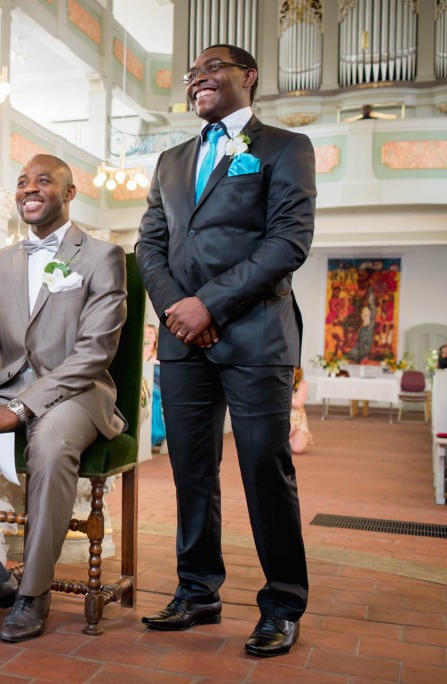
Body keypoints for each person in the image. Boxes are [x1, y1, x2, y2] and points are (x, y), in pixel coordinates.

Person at [136, 44, 314, 658]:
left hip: (256, 332)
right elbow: (149, 246)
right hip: (185, 342)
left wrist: (208, 304)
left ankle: (283, 603)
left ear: (249, 78)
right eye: (193, 74)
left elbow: (288, 242)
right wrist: (177, 311)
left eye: (213, 69)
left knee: (266, 469)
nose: (199, 80)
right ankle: (197, 589)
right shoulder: (171, 159)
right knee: (191, 471)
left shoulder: (285, 148)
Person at [0, 154, 128, 644]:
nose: (29, 189)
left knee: (50, 446)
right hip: (6, 388)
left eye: (43, 181)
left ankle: (34, 592)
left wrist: (14, 411)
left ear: (69, 193)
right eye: (22, 182)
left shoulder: (101, 256)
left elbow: (94, 353)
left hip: (76, 393)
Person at [144, 323, 165, 448]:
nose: (147, 336)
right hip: (140, 388)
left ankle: (154, 433)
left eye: (150, 333)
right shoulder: (136, 354)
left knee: (152, 397)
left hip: (156, 388)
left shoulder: (159, 355)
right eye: (145, 333)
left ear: (156, 337)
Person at [289, 368, 312, 455]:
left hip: (297, 420)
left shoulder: (302, 384)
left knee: (297, 449)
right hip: (280, 418)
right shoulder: (277, 383)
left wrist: (282, 396)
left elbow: (298, 404)